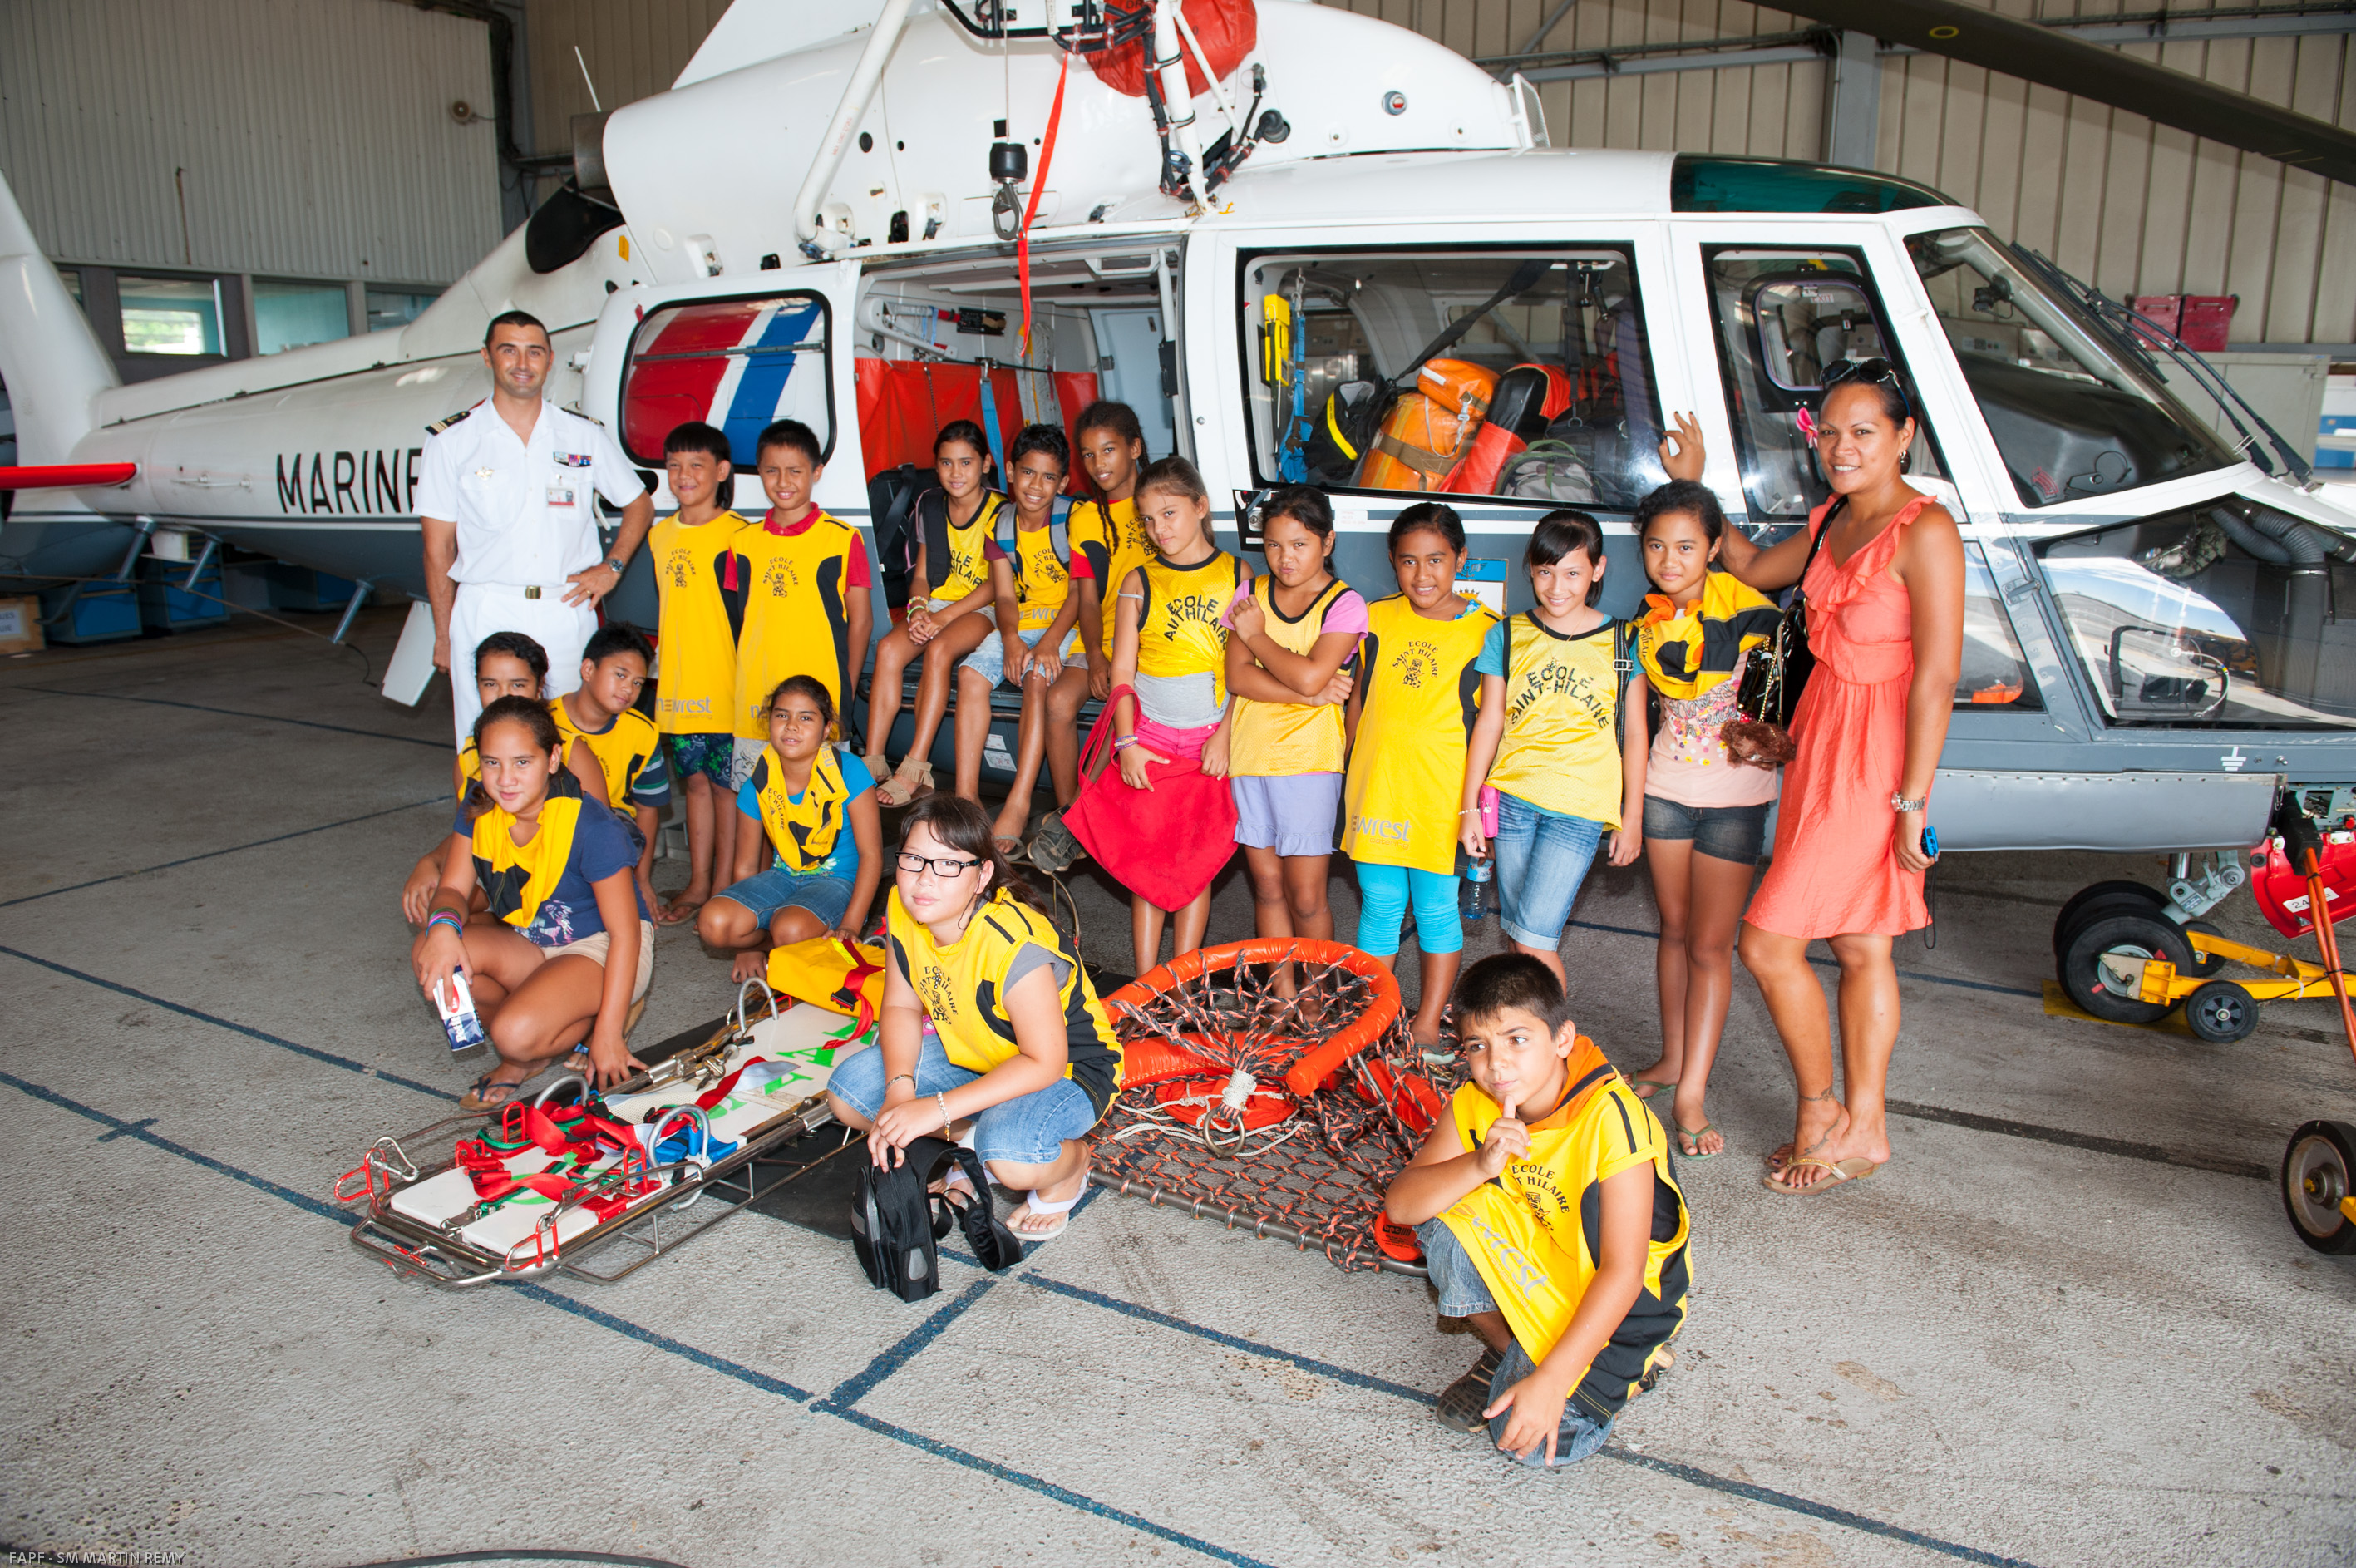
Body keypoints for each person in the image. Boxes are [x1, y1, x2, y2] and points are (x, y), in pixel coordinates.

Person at [1714, 359, 1964, 1196]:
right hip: (1821, 738)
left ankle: (1822, 1112)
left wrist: (1911, 800)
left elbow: (1936, 677)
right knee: (1860, 942)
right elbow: (1755, 569)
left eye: (1862, 430)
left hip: (1877, 756)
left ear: (1903, 435)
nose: (1841, 447)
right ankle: (1867, 1127)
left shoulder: (1926, 530)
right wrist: (1696, 492)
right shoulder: (1830, 520)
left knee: (1767, 941)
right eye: (1827, 432)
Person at [1384, 954, 1689, 1467]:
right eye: (1477, 1046)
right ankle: (1514, 1349)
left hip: (1622, 1299)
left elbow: (1625, 1271)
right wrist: (1479, 1163)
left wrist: (1551, 1381)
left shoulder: (1611, 1117)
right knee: (1439, 1215)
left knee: (1528, 1444)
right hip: (1543, 1265)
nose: (1496, 1064)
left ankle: (1633, 1360)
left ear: (1562, 1039)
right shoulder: (1477, 1101)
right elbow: (1403, 1205)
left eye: (1517, 1039)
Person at [825, 795, 1124, 1240]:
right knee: (849, 1095)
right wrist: (899, 1091)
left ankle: (1071, 1165)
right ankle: (973, 1141)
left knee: (1011, 1159)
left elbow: (1044, 1061)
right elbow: (901, 1006)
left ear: (982, 874)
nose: (924, 879)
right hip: (978, 1053)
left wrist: (936, 1109)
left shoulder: (1013, 943)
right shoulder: (903, 904)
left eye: (948, 864)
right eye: (913, 859)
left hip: (1068, 1068)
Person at [1624, 478, 1784, 1161]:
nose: (1670, 560)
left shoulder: (1757, 615)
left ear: (1715, 547)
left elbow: (1787, 705)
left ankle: (1691, 1093)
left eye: (1687, 546)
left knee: (1711, 948)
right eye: (1657, 546)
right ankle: (1671, 1058)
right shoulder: (1646, 618)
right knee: (1674, 930)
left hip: (1735, 801)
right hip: (1665, 789)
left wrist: (1769, 735)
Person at [416, 309, 654, 744]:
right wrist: (443, 635)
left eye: (534, 352)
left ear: (550, 360)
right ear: (487, 357)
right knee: (484, 738)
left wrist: (613, 567)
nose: (522, 363)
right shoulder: (451, 442)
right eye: (509, 350)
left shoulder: (581, 435)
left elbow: (639, 503)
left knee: (572, 737)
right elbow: (438, 550)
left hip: (563, 609)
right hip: (486, 607)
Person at [412, 696, 654, 1112]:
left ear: (553, 758)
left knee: (514, 1034)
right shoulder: (479, 804)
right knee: (431, 951)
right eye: (492, 762)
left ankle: (590, 1022)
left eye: (522, 762)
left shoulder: (591, 825)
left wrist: (608, 1035)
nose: (505, 779)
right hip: (532, 938)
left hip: (601, 946)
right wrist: (443, 930)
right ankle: (540, 1036)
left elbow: (625, 934)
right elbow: (451, 889)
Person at [1458, 513, 1646, 985]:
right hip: (1513, 800)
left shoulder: (1623, 641)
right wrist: (1469, 809)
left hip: (1579, 808)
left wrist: (1633, 817)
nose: (1557, 587)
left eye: (1572, 572)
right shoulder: (1507, 635)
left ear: (1598, 570)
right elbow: (1489, 722)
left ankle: (1559, 1031)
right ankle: (1531, 1027)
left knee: (1533, 941)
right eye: (1545, 572)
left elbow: (1636, 736)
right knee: (1518, 934)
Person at [1342, 503, 1498, 1048]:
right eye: (1409, 561)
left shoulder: (1487, 631)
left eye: (1436, 559)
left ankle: (1428, 1021)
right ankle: (1372, 1019)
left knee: (1436, 910)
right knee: (1380, 906)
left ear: (1461, 559)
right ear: (1393, 560)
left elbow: (1492, 725)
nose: (1422, 574)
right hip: (1379, 790)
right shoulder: (1375, 617)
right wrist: (1350, 767)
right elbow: (1358, 700)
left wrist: (1476, 805)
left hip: (1443, 798)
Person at [1107, 455, 1245, 976]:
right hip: (1152, 742)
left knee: (1195, 864)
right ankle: (1146, 984)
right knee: (1149, 862)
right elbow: (1122, 673)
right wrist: (1127, 743)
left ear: (1201, 507)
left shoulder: (1238, 573)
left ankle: (1184, 981)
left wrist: (1226, 734)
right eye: (1148, 519)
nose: (1158, 529)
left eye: (1169, 513)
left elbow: (1247, 666)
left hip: (1211, 742)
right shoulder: (1138, 581)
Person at [1223, 486, 1363, 994]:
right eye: (1274, 545)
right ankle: (1283, 998)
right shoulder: (1250, 594)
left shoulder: (1345, 603)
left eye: (1300, 544)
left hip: (1309, 762)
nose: (1285, 558)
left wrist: (1258, 637)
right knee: (1267, 887)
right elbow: (1238, 677)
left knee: (1306, 896)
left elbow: (1310, 673)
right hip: (1250, 756)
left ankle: (1316, 999)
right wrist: (1309, 696)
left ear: (1328, 542)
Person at [399, 631, 601, 923]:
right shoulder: (468, 760)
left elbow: (599, 833)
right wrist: (430, 861)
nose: (504, 694)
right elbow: (469, 834)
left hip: (565, 885)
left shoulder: (570, 751)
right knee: (434, 904)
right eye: (490, 684)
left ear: (539, 687)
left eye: (518, 684)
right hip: (500, 878)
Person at [697, 675, 885, 984]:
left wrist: (851, 924)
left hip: (838, 881)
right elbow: (745, 866)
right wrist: (746, 948)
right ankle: (767, 946)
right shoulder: (758, 783)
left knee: (791, 928)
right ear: (769, 722)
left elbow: (872, 854)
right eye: (782, 715)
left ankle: (793, 945)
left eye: (806, 718)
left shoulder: (848, 771)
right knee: (714, 923)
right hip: (784, 876)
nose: (792, 726)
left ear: (826, 728)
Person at [1028, 402, 1151, 874]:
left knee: (1123, 698)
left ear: (1134, 448)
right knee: (1059, 701)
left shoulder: (1160, 499)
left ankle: (1075, 822)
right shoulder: (1083, 518)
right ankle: (1072, 815)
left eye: (1109, 450)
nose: (1099, 464)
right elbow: (1088, 596)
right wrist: (1095, 654)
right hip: (1103, 637)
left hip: (1154, 641)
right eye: (1088, 454)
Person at [955, 424, 1088, 855]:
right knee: (970, 676)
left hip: (1067, 624)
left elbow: (1080, 593)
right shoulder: (1001, 524)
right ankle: (966, 798)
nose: (1036, 485)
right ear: (1011, 472)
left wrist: (1048, 642)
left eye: (1049, 477)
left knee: (1036, 677)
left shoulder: (1074, 519)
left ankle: (1019, 800)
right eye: (1028, 473)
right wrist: (1011, 638)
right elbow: (1005, 596)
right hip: (1023, 621)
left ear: (1063, 483)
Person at [867, 421, 1007, 807]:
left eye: (966, 462)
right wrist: (917, 611)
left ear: (986, 464)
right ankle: (873, 760)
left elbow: (995, 586)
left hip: (984, 607)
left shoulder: (1000, 511)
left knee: (939, 649)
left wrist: (940, 620)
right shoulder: (930, 505)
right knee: (888, 650)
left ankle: (915, 766)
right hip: (936, 606)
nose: (955, 472)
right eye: (946, 463)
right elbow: (922, 575)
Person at [732, 418, 874, 796]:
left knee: (824, 802)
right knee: (756, 803)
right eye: (771, 471)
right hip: (754, 702)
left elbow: (861, 621)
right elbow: (737, 621)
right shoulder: (741, 542)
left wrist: (844, 689)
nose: (783, 481)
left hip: (820, 699)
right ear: (759, 472)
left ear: (817, 472)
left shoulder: (841, 539)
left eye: (795, 471)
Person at [647, 420, 752, 925]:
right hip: (679, 687)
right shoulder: (659, 536)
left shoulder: (740, 536)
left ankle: (727, 886)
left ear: (722, 471)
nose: (684, 475)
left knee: (728, 789)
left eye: (696, 465)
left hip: (727, 686)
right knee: (695, 786)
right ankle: (698, 882)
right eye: (674, 465)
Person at [550, 625, 671, 921]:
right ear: (588, 669)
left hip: (611, 829)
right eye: (620, 675)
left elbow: (648, 809)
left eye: (638, 682)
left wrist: (642, 881)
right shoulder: (543, 720)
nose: (629, 689)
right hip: (549, 823)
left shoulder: (643, 733)